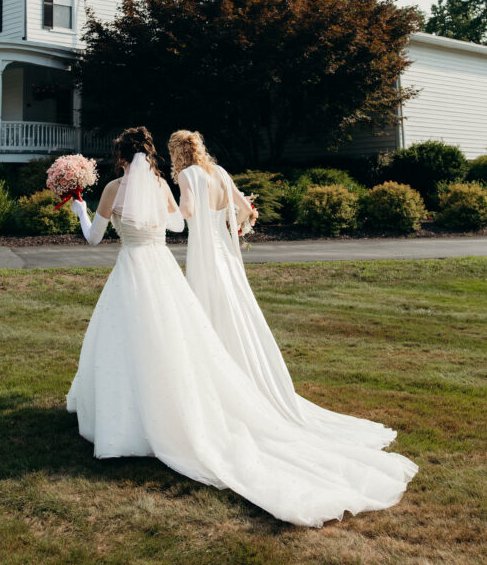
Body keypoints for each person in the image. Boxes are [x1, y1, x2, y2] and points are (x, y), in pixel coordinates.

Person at [66, 126, 417, 528]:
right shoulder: (163, 186)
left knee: (123, 343)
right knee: (173, 342)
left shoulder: (111, 189)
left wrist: (79, 208)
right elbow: (179, 227)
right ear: (149, 154)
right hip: (161, 271)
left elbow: (94, 239)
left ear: (122, 156)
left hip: (129, 270)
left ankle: (126, 422)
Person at [169, 128, 405, 449]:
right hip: (224, 254)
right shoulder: (220, 173)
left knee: (205, 311)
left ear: (177, 153)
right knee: (233, 310)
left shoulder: (188, 176)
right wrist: (232, 226)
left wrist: (157, 210)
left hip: (203, 255)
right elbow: (245, 210)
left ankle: (212, 381)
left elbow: (186, 212)